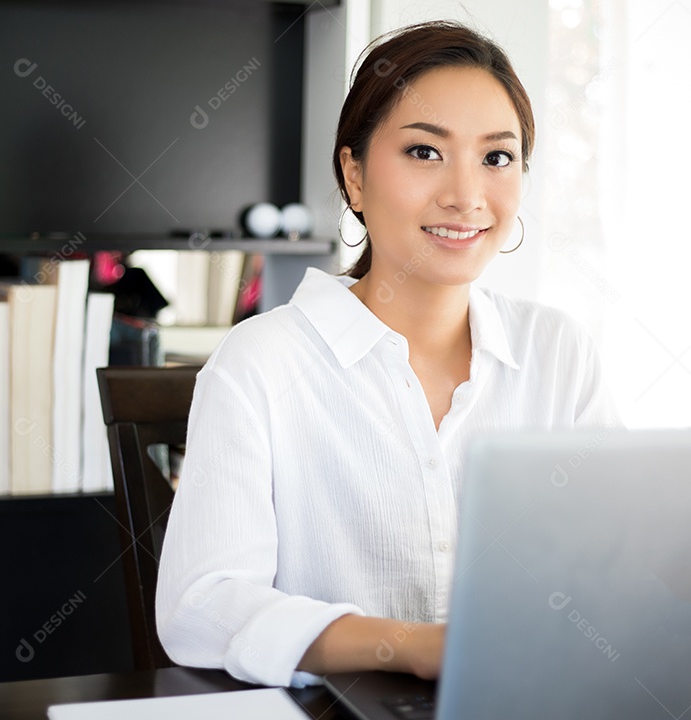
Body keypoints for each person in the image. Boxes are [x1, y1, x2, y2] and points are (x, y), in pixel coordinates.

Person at [156, 20, 620, 689]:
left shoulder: (558, 352)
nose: (466, 195)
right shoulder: (261, 363)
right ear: (354, 175)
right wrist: (410, 646)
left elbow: (619, 564)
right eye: (425, 152)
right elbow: (200, 609)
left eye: (496, 158)